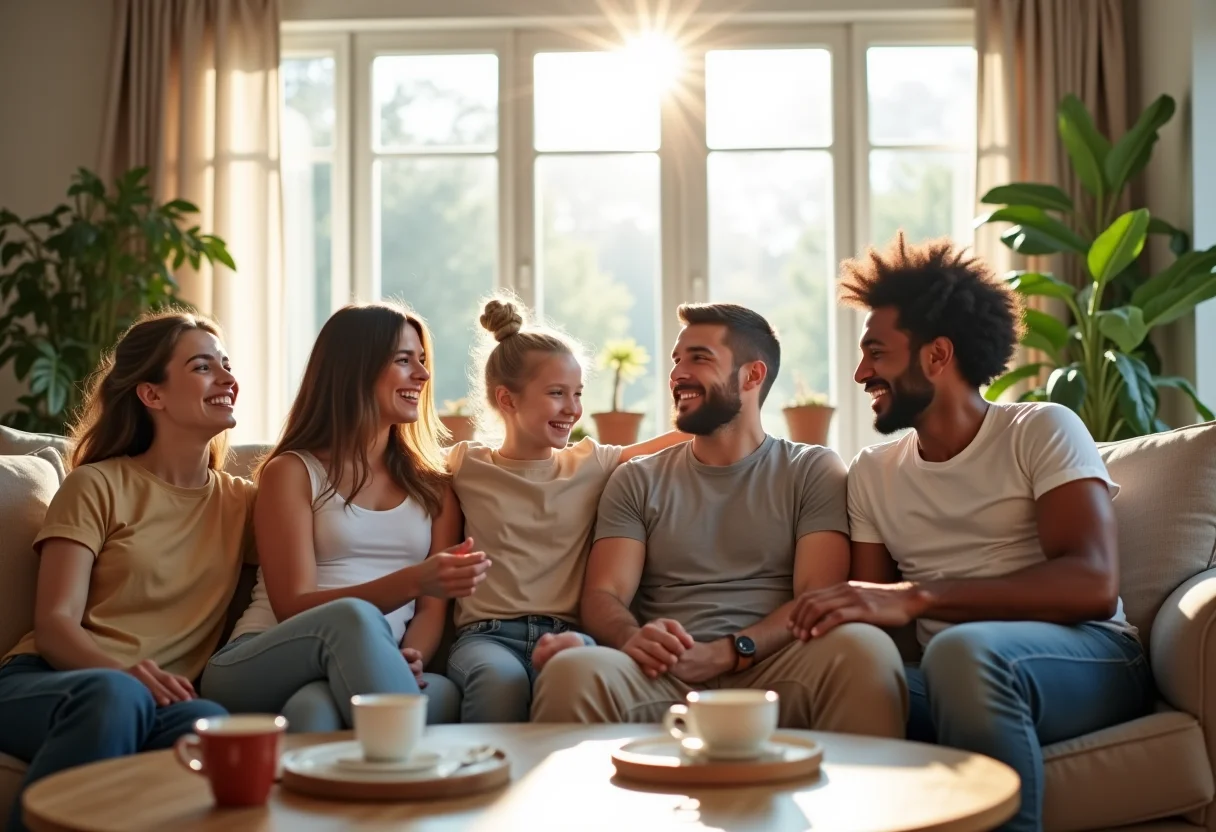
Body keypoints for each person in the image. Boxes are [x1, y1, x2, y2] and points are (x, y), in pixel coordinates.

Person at [787, 235, 1154, 832]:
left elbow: (1091, 583)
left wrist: (920, 597)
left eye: (876, 353)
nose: (860, 373)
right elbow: (875, 619)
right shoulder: (873, 472)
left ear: (937, 355)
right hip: (949, 674)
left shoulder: (1040, 429)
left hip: (1090, 658)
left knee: (962, 651)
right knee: (831, 678)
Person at [530, 302, 907, 734]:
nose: (677, 373)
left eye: (699, 358)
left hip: (775, 666)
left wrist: (732, 650)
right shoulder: (636, 478)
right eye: (677, 360)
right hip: (664, 673)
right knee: (572, 671)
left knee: (866, 648)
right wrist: (632, 637)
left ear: (752, 375)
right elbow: (604, 594)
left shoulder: (812, 469)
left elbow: (815, 597)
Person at [0, 310, 253, 832]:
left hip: (158, 702)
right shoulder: (95, 485)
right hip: (49, 681)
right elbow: (54, 625)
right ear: (151, 394)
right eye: (203, 367)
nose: (227, 378)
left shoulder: (243, 504)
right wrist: (123, 673)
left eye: (227, 365)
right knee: (117, 696)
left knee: (210, 726)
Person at [200, 302, 488, 730]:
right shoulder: (293, 472)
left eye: (423, 361)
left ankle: (386, 736)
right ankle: (414, 753)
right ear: (356, 369)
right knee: (353, 618)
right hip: (258, 657)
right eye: (404, 360)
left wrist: (409, 657)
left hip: (365, 667)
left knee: (313, 711)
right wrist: (414, 579)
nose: (423, 375)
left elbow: (431, 611)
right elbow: (292, 605)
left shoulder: (434, 486)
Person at [442, 297, 689, 723]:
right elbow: (399, 460)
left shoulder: (589, 461)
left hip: (568, 634)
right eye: (557, 393)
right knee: (500, 679)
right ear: (507, 400)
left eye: (577, 394)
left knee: (575, 666)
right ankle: (487, 767)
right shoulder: (466, 463)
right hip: (487, 638)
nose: (573, 408)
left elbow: (671, 444)